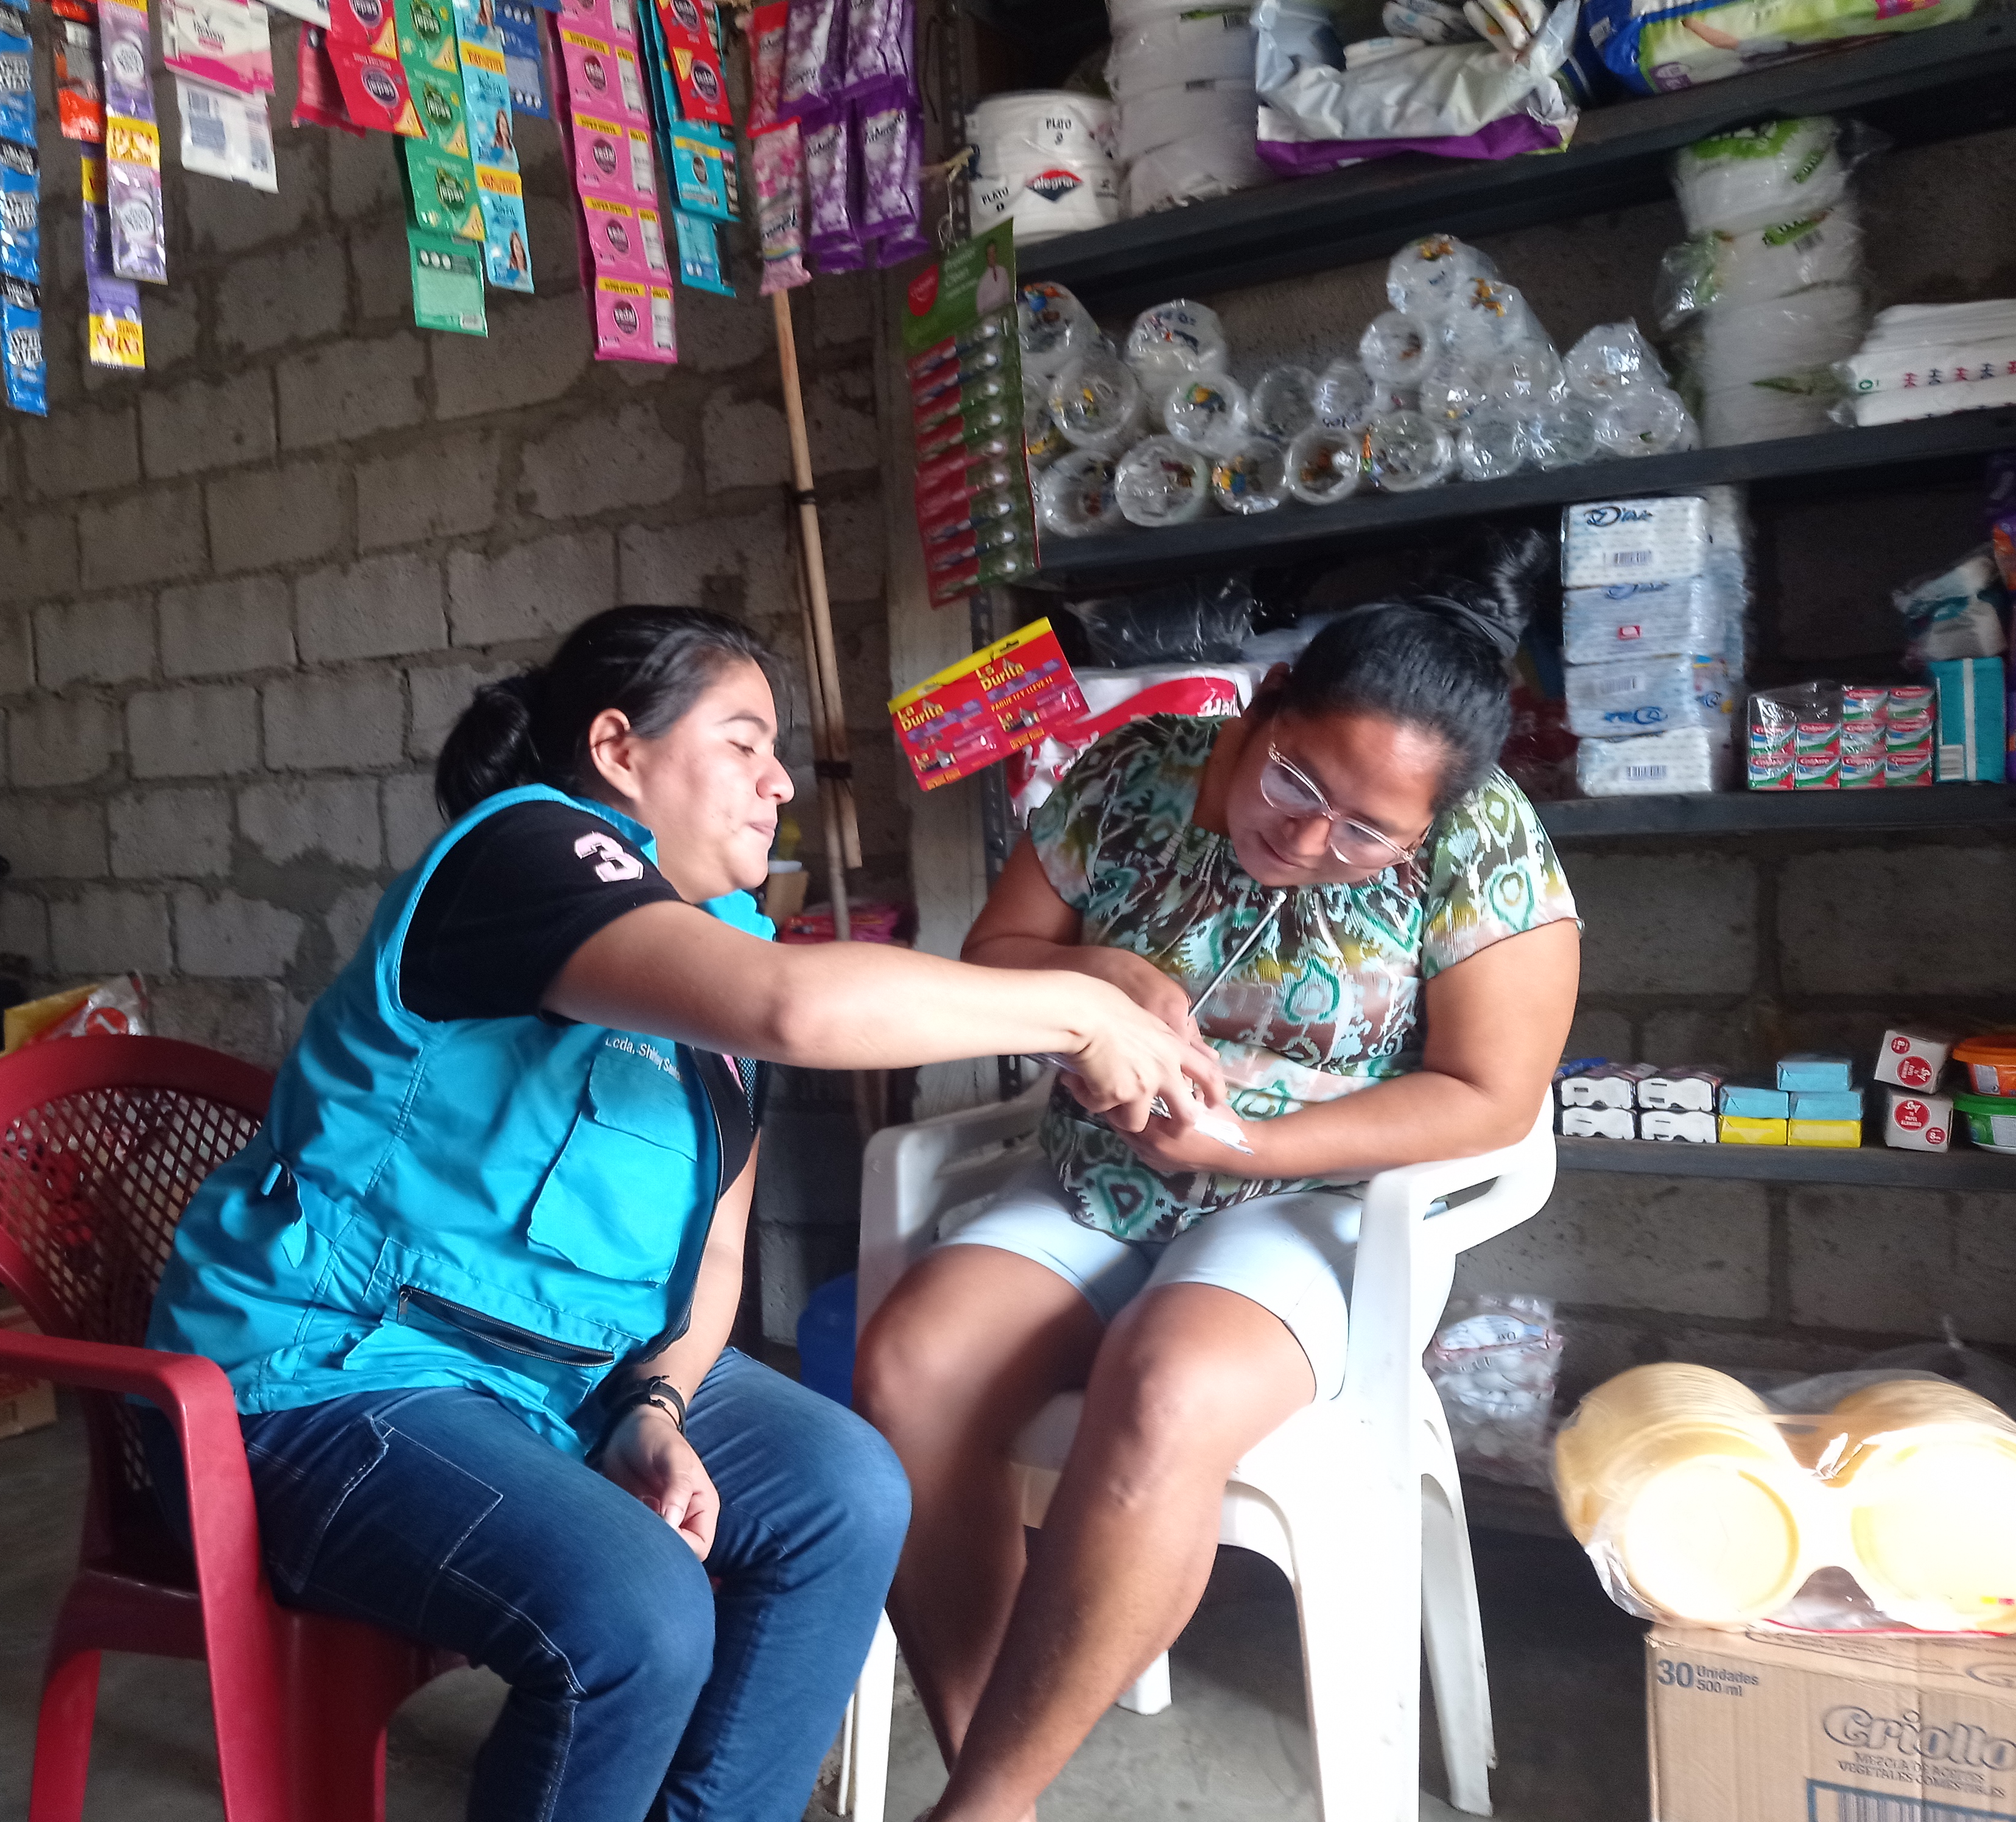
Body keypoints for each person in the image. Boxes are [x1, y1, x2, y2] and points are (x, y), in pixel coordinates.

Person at [140, 605, 1223, 1822]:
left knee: (845, 1492)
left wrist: (653, 1405)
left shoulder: (720, 947)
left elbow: (713, 1251)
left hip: (564, 1381)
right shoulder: (526, 850)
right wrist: (1078, 1007)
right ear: (617, 748)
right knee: (638, 1610)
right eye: (745, 742)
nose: (780, 783)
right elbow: (791, 1006)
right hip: (327, 1383)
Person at [855, 539, 1582, 1822]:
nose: (1305, 837)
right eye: (1295, 779)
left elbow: (1490, 1095)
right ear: (1268, 699)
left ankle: (972, 1809)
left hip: (1319, 1206)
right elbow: (998, 953)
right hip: (1100, 1180)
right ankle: (992, 1783)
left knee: (1166, 1384)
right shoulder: (1131, 771)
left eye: (1365, 834)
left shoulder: (1483, 842)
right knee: (912, 1363)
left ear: (1429, 823)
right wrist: (1104, 976)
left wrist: (1247, 1144)